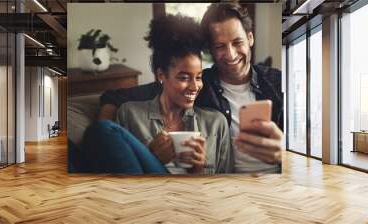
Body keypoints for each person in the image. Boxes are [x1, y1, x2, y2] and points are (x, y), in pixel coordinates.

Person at [99, 3, 283, 173]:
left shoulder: (277, 82)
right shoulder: (205, 84)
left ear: (250, 38)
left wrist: (285, 150)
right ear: (211, 50)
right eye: (220, 46)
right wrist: (108, 137)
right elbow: (117, 97)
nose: (230, 54)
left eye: (237, 42)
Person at [79, 14, 234, 174]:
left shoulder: (216, 123)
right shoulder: (130, 114)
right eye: (184, 78)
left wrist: (198, 171)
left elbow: (226, 187)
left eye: (199, 77)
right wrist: (150, 154)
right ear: (161, 76)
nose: (194, 87)